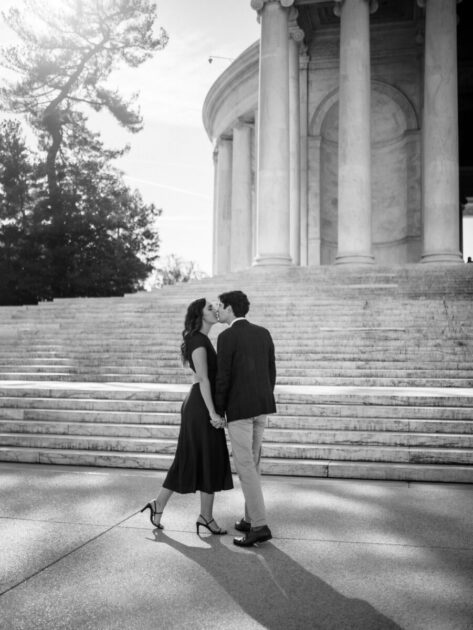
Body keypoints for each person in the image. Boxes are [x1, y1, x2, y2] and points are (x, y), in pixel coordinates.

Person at [141, 298, 233, 534]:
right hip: (201, 407)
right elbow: (203, 378)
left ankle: (162, 505)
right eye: (210, 308)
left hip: (201, 404)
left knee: (193, 457)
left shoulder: (200, 339)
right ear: (199, 315)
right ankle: (204, 516)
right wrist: (213, 412)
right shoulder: (198, 340)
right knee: (203, 457)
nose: (215, 310)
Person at [215, 290, 276, 547]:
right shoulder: (263, 333)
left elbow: (223, 377)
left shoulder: (226, 336)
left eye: (220, 306)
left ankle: (260, 526)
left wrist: (218, 410)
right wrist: (262, 399)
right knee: (254, 464)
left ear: (230, 309)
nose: (217, 310)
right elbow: (271, 372)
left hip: (240, 412)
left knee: (246, 467)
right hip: (261, 407)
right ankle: (251, 519)